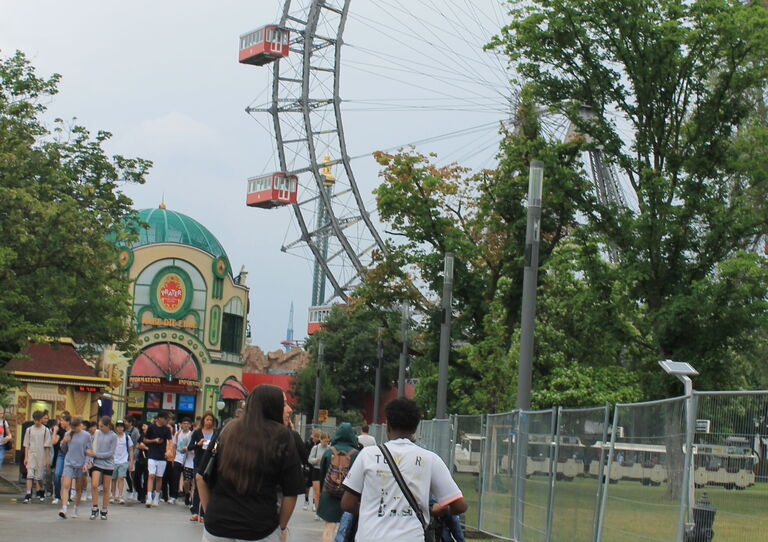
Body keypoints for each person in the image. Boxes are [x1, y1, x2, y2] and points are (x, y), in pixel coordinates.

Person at [341, 398, 468, 541]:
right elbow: (460, 506)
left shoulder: (367, 455)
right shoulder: (430, 459)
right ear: (415, 428)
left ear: (387, 425)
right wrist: (433, 511)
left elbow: (347, 503)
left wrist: (370, 511)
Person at [196, 384, 304, 542]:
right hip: (259, 529)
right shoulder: (283, 437)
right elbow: (291, 492)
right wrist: (280, 528)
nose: (289, 409)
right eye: (285, 404)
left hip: (217, 527)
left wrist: (210, 513)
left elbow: (200, 478)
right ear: (272, 407)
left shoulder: (227, 431)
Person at [317, 423, 359, 542]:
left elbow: (322, 475)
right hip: (348, 497)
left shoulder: (328, 452)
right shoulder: (356, 454)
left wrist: (321, 494)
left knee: (329, 528)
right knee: (346, 530)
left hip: (329, 495)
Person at [58, 417, 92, 519]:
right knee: (66, 485)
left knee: (78, 488)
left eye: (75, 427)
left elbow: (88, 450)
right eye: (72, 427)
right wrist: (63, 441)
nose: (73, 429)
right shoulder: (68, 434)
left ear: (80, 426)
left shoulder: (86, 435)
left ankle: (75, 508)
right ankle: (64, 508)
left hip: (80, 464)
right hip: (69, 462)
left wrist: (86, 464)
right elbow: (64, 449)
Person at [187, 411, 217, 521]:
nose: (209, 422)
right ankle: (195, 511)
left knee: (208, 487)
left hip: (210, 463)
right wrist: (198, 444)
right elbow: (189, 447)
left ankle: (204, 513)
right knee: (197, 486)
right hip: (198, 461)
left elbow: (218, 445)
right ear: (203, 420)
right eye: (207, 419)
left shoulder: (216, 432)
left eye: (211, 420)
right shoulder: (197, 432)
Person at [88, 416, 117, 520]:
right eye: (99, 426)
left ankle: (104, 509)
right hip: (97, 463)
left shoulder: (113, 436)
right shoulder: (96, 433)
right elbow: (90, 445)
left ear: (108, 426)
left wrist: (95, 454)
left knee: (105, 488)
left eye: (102, 426)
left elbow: (111, 453)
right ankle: (94, 507)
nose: (100, 428)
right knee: (94, 484)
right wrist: (90, 457)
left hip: (108, 463)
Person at [143, 411, 172, 507]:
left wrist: (169, 450)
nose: (166, 421)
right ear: (159, 418)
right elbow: (145, 440)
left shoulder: (167, 429)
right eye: (165, 419)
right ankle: (149, 497)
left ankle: (156, 497)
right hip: (152, 454)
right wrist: (154, 440)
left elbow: (170, 441)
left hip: (162, 456)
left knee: (159, 477)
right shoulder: (151, 427)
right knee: (151, 475)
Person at [23, 410, 52, 503]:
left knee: (39, 477)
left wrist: (47, 459)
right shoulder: (29, 430)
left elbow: (47, 446)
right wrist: (26, 457)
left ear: (41, 420)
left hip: (41, 455)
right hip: (31, 453)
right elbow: (26, 444)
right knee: (29, 474)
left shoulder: (45, 430)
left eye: (38, 420)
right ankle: (28, 494)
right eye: (35, 420)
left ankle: (42, 489)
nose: (36, 422)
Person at [109, 420, 134, 504]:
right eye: (118, 426)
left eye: (121, 426)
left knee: (121, 477)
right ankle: (112, 495)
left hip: (123, 461)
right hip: (113, 461)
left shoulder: (127, 437)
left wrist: (131, 462)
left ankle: (120, 495)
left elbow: (131, 450)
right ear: (116, 428)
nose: (120, 428)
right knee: (113, 479)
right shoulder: (113, 437)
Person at [171, 417, 193, 505]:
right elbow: (174, 446)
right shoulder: (178, 434)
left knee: (187, 479)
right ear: (181, 424)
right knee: (175, 477)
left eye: (187, 423)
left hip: (187, 459)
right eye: (184, 423)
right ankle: (173, 496)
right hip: (178, 458)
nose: (186, 425)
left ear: (190, 425)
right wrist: (173, 457)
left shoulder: (191, 434)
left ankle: (187, 494)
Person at [51, 412, 72, 504]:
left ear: (67, 422)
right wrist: (55, 431)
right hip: (61, 454)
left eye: (62, 421)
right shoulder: (60, 430)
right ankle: (57, 496)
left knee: (68, 476)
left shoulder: (72, 431)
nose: (61, 422)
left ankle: (67, 496)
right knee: (57, 474)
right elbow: (53, 441)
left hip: (70, 455)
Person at [309, 431, 330, 514]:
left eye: (328, 441)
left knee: (324, 493)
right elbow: (310, 459)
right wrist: (317, 460)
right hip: (316, 470)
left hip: (325, 471)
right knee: (317, 492)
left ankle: (323, 510)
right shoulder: (316, 448)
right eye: (325, 441)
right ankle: (317, 511)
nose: (326, 443)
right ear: (320, 440)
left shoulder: (329, 448)